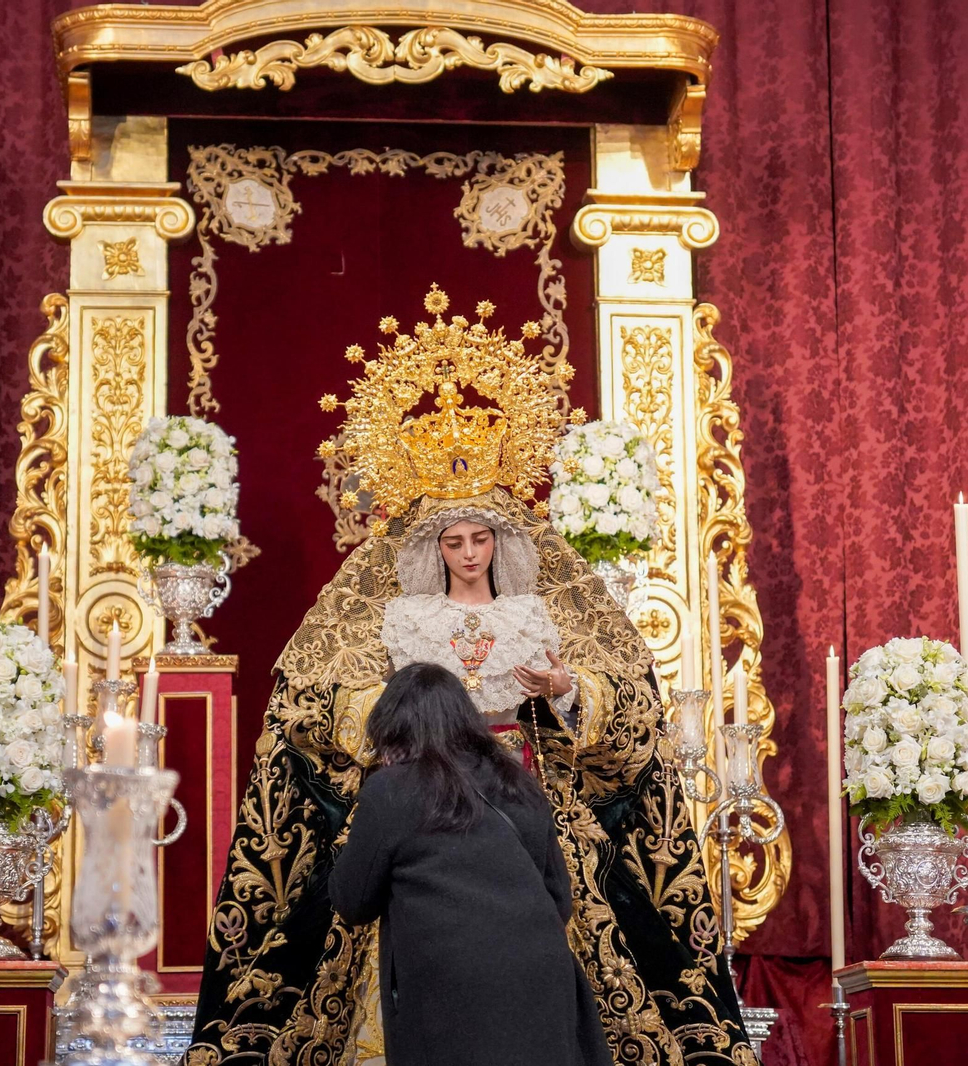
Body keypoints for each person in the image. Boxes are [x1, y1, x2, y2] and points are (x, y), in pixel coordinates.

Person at [186, 288, 752, 1066]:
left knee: (573, 906)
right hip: (418, 783)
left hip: (525, 782)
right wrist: (389, 711)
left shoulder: (541, 607)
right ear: (436, 548)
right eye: (453, 540)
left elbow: (626, 707)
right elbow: (316, 699)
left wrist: (566, 691)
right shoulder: (397, 614)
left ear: (499, 541)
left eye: (481, 537)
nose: (468, 553)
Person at [328, 663, 610, 1066]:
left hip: (448, 989)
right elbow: (559, 900)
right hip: (541, 974)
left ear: (394, 724)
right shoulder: (516, 781)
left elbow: (352, 902)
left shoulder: (391, 789)